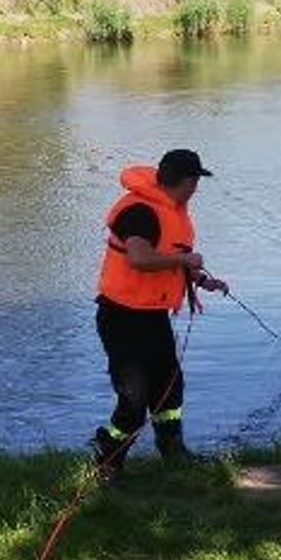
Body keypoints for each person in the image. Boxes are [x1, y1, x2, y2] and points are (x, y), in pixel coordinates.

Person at [90, 149, 230, 475]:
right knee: (134, 397)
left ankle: (173, 451)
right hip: (122, 317)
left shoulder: (172, 209)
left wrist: (203, 280)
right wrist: (185, 261)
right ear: (187, 181)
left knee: (169, 385)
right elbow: (139, 258)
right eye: (195, 180)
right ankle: (108, 456)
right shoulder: (139, 212)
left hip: (152, 316)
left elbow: (166, 259)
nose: (196, 188)